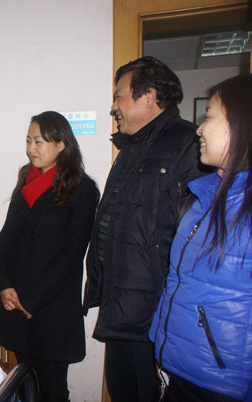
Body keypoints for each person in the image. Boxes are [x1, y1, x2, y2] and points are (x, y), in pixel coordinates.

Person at [82, 56, 207, 402]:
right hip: (122, 305)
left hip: (155, 314)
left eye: (119, 97)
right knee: (122, 390)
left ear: (149, 96)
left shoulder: (187, 145)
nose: (113, 107)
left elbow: (197, 240)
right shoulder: (131, 148)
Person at [149, 74, 252, 402]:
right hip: (180, 366)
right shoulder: (204, 195)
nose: (199, 130)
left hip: (221, 382)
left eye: (209, 117)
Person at [0, 111, 99, 402]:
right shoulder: (27, 180)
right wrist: (3, 285)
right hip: (16, 299)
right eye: (28, 141)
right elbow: (6, 237)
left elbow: (72, 254)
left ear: (61, 144)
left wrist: (31, 299)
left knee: (52, 389)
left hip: (51, 306)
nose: (31, 148)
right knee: (24, 385)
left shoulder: (82, 189)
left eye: (39, 141)